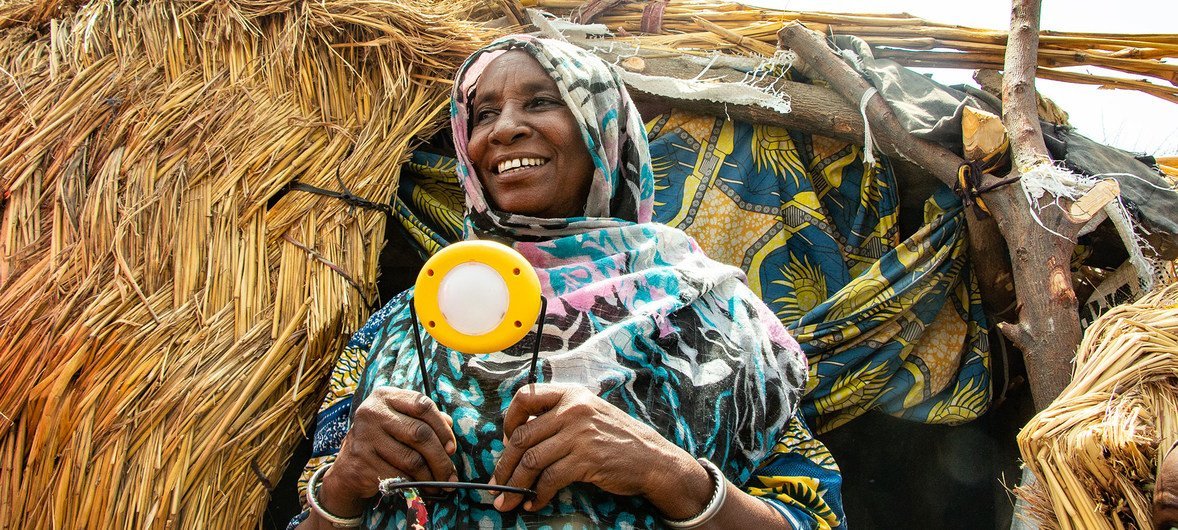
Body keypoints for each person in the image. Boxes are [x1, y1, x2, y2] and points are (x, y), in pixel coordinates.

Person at [291, 35, 845, 530]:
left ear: (602, 130)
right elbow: (317, 514)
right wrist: (341, 487)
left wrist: (666, 472)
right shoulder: (405, 322)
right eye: (483, 114)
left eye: (540, 101)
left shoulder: (714, 311)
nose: (504, 128)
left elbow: (815, 516)